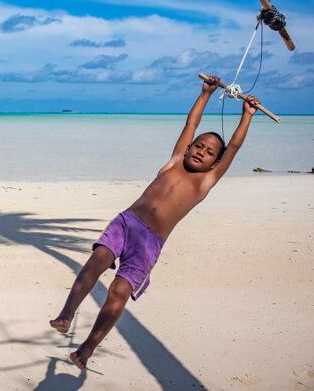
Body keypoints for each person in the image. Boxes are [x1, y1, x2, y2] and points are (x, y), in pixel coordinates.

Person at [49, 75, 260, 370]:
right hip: (127, 222)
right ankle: (66, 314)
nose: (201, 151)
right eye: (198, 146)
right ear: (187, 149)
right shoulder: (174, 162)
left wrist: (247, 115)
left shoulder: (206, 181)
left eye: (210, 152)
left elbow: (234, 148)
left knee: (120, 291)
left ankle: (87, 348)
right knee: (97, 259)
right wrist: (205, 94)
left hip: (150, 244)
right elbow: (190, 125)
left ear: (215, 163)